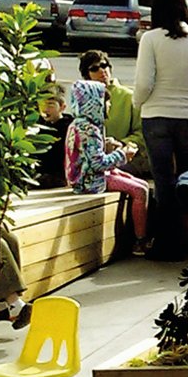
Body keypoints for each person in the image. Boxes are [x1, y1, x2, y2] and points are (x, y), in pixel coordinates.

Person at [129, 0, 188, 257]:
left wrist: (136, 103)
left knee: (163, 181)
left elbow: (144, 83)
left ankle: (167, 245)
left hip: (155, 116)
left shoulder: (150, 39)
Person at [66, 78, 152, 253]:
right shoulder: (90, 130)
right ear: (94, 103)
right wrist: (123, 154)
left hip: (85, 176)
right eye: (106, 101)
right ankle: (140, 240)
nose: (109, 105)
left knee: (139, 182)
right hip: (89, 181)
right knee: (140, 191)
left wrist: (107, 144)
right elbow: (98, 163)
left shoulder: (81, 124)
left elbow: (89, 154)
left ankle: (138, 233)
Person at [77, 50, 144, 178]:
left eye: (104, 65)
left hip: (125, 158)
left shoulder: (128, 96)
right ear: (87, 74)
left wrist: (121, 144)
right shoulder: (83, 98)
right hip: (94, 158)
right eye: (94, 68)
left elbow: (141, 133)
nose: (102, 71)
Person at [34, 83, 73, 189]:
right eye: (42, 104)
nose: (45, 109)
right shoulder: (37, 126)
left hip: (59, 176)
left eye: (50, 104)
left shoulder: (68, 127)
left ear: (62, 107)